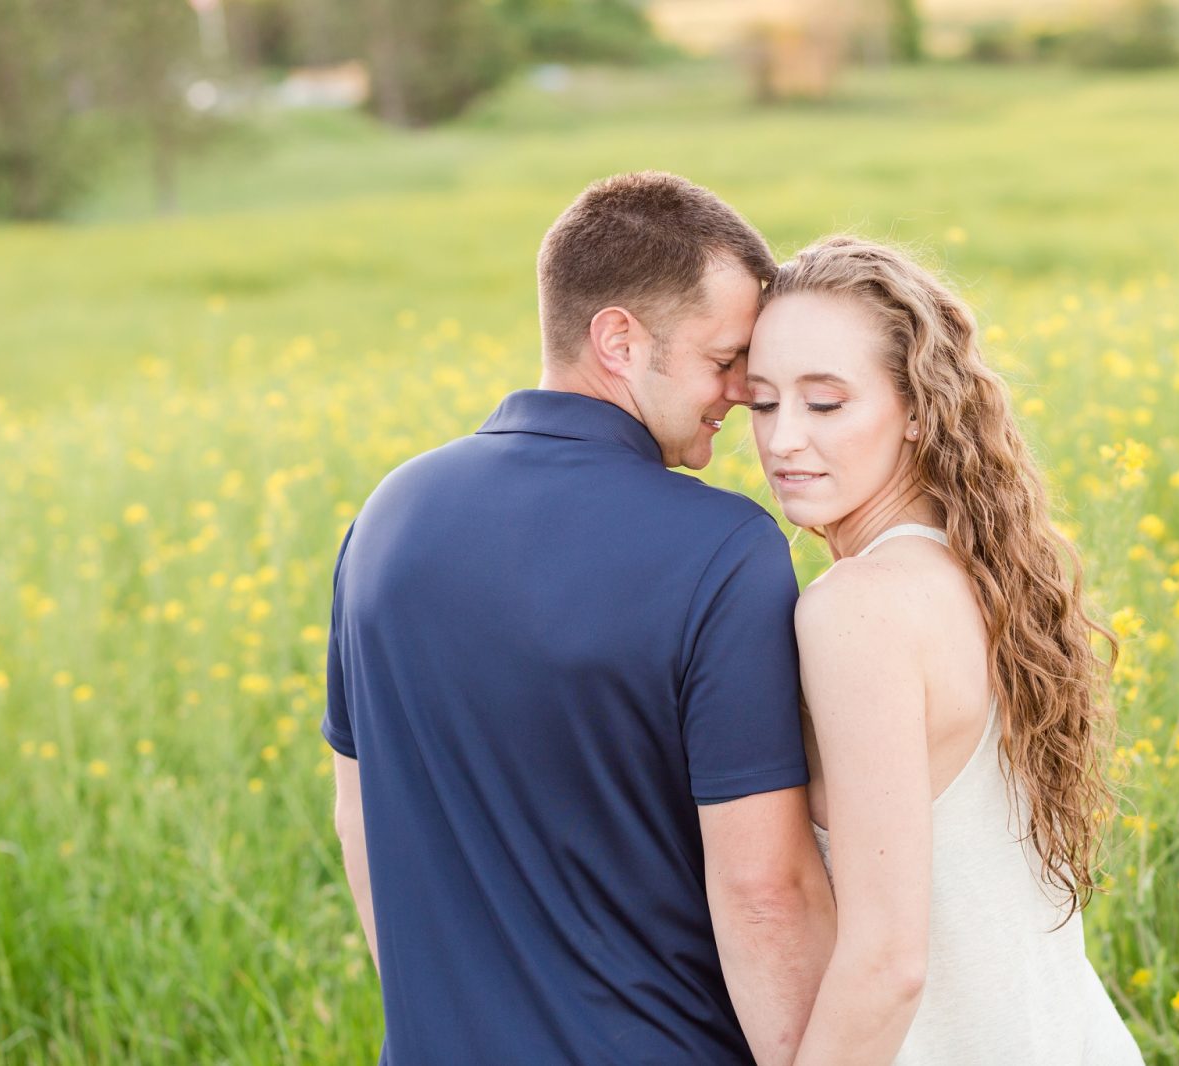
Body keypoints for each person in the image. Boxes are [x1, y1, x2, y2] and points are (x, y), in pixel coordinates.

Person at [323, 172, 834, 1064]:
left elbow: (358, 815)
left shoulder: (388, 516)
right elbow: (765, 891)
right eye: (724, 360)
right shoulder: (722, 549)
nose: (743, 394)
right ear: (618, 340)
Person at [744, 236, 1145, 1065]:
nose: (783, 440)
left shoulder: (857, 608)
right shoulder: (984, 576)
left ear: (918, 408)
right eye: (760, 401)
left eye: (825, 404)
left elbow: (888, 962)